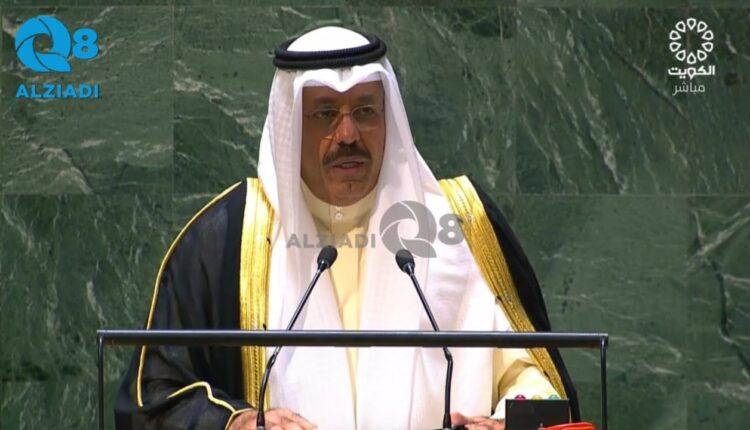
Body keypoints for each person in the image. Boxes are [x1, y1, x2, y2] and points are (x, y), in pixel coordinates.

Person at [115, 26, 579, 430]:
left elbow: (541, 383)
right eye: (324, 114)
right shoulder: (228, 237)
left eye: (365, 111)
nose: (348, 135)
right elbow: (153, 397)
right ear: (290, 125)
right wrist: (234, 422)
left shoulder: (458, 224)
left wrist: (507, 422)